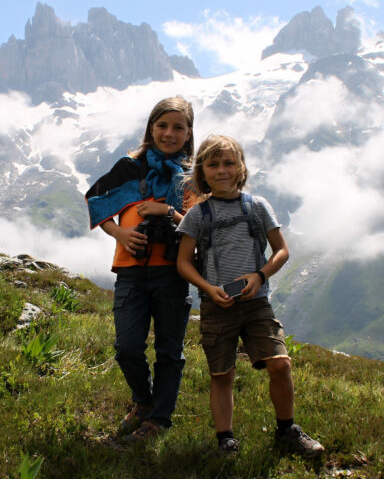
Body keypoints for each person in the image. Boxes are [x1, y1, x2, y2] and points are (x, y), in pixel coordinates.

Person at [175, 134, 324, 457]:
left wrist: (260, 276)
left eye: (229, 163)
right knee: (222, 373)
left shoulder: (256, 206)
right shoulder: (197, 215)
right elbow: (183, 262)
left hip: (257, 303)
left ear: (241, 167)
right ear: (202, 173)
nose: (221, 170)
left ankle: (287, 430)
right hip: (217, 306)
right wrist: (209, 288)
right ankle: (225, 439)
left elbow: (282, 250)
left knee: (280, 363)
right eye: (213, 164)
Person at [85, 96, 195, 443]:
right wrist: (120, 232)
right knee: (127, 346)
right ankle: (144, 401)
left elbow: (202, 223)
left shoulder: (194, 176)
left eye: (178, 127)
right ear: (150, 128)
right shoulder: (129, 166)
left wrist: (167, 214)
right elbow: (97, 199)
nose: (169, 133)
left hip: (173, 272)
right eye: (162, 125)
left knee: (168, 350)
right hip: (130, 270)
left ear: (189, 132)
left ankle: (158, 419)